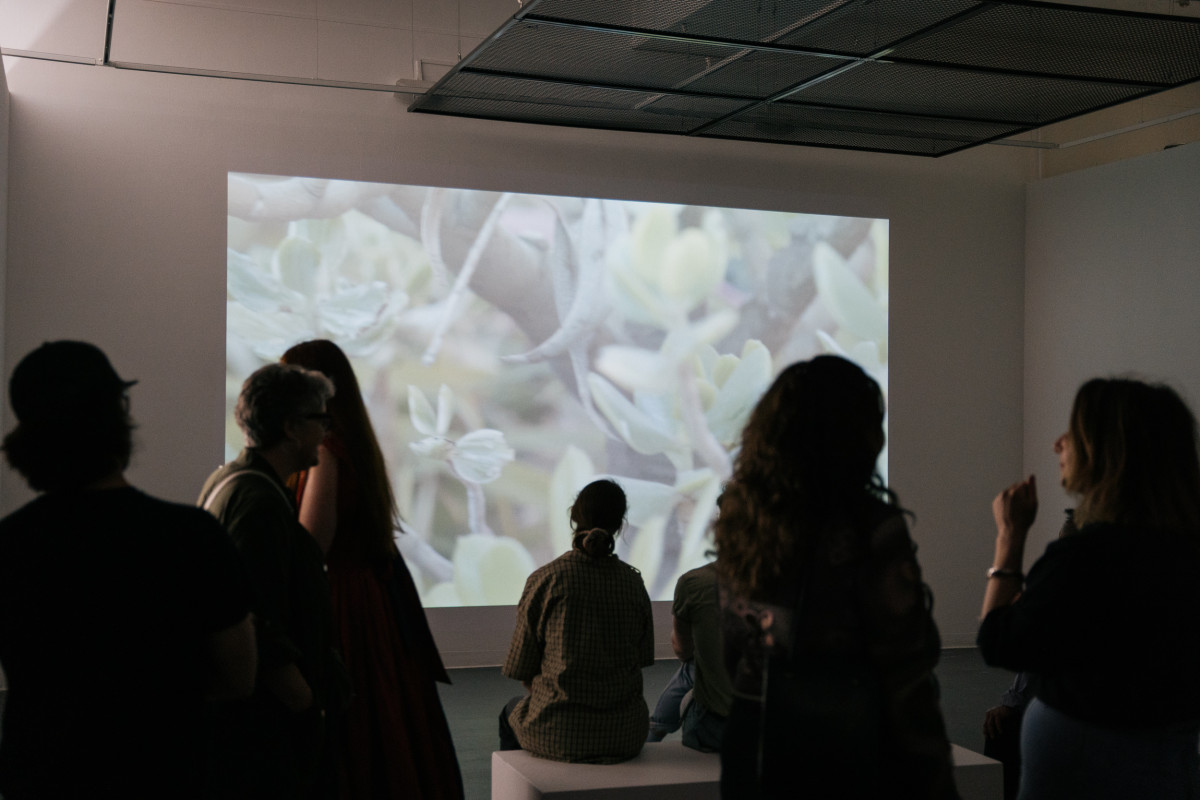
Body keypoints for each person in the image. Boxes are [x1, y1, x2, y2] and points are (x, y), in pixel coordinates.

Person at [0, 341, 256, 800]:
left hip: (42, 780)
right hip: (167, 775)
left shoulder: (10, 545)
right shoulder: (191, 537)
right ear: (120, 418)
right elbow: (238, 676)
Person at [716, 355, 958, 800]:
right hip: (845, 747)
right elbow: (906, 671)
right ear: (855, 437)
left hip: (755, 743)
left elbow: (734, 651)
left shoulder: (743, 519)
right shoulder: (872, 527)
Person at [978, 377, 1200, 800]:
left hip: (1081, 769)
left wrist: (1009, 537)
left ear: (1109, 452)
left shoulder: (1087, 556)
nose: (1058, 444)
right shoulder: (1184, 554)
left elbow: (998, 642)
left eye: (1074, 433)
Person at [281, 339, 463, 800]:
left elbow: (312, 544)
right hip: (374, 601)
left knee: (358, 726)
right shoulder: (355, 444)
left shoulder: (325, 450)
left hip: (347, 603)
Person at [198, 362, 343, 799]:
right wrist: (301, 701)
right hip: (265, 721)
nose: (326, 433)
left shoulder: (230, 481)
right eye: (321, 419)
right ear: (291, 427)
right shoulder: (259, 501)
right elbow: (257, 615)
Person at [500, 479, 655, 763]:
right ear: (620, 524)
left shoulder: (546, 580)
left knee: (510, 712)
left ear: (574, 517)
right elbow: (642, 659)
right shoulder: (633, 584)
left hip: (555, 730)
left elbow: (521, 670)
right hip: (625, 735)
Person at [646, 561, 732, 752]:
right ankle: (656, 727)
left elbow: (682, 650)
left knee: (693, 665)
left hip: (713, 729)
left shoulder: (696, 582)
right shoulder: (797, 582)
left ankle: (655, 729)